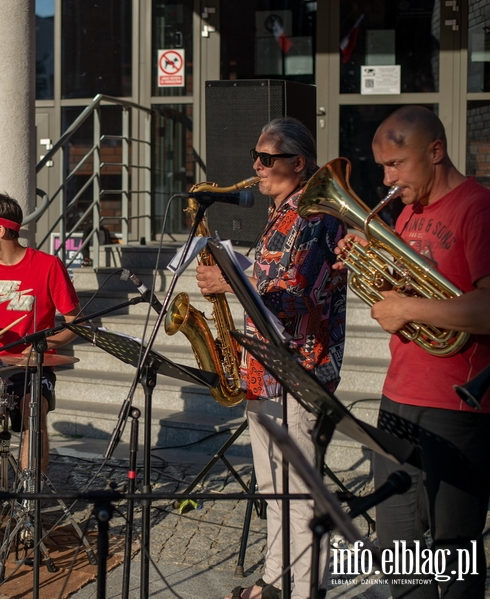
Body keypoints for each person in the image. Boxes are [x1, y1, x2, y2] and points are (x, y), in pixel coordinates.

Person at [337, 106, 490, 598]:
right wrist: (363, 257)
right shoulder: (406, 212)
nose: (387, 178)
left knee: (453, 549)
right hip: (399, 395)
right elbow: (397, 293)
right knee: (399, 546)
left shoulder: (477, 208)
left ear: (436, 152)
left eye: (396, 164)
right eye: (382, 166)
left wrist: (406, 306)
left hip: (459, 404)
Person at [196, 117, 348, 599]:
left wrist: (232, 281)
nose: (256, 167)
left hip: (300, 372)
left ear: (298, 163)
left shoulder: (318, 213)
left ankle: (305, 590)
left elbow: (300, 290)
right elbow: (273, 277)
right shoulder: (279, 213)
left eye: (267, 158)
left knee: (299, 494)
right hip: (264, 371)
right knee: (272, 491)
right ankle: (275, 580)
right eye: (255, 157)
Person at [0, 192, 80, 474]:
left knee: (31, 412)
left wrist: (43, 344)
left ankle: (29, 498)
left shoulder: (48, 266)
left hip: (34, 368)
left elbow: (76, 324)